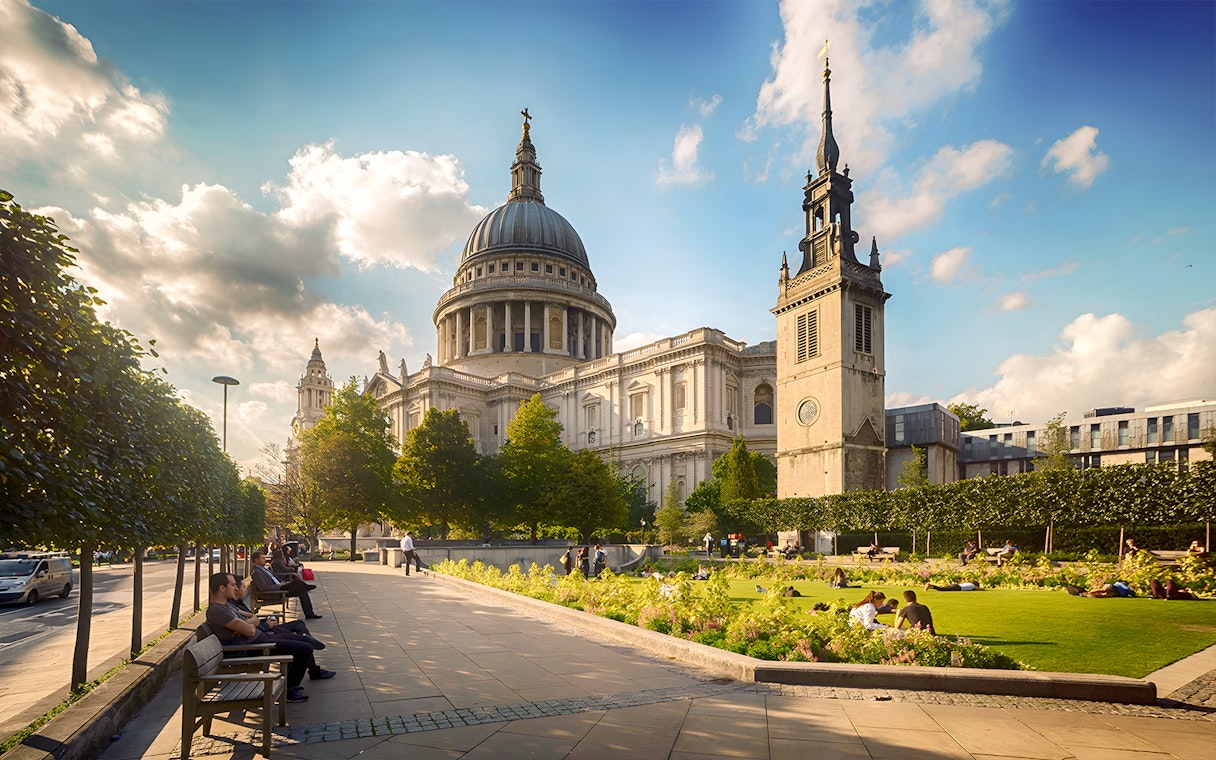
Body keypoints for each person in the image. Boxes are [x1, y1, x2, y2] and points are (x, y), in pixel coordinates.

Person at [206, 572, 334, 704]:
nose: (237, 588)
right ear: (222, 588)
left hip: (258, 639)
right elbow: (250, 630)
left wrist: (246, 624)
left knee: (301, 641)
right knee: (305, 648)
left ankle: (306, 646)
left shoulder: (226, 605)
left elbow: (251, 616)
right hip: (250, 647)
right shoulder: (217, 611)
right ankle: (290, 689)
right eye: (233, 585)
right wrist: (249, 624)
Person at [250, 550, 322, 619]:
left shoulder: (263, 569)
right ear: (256, 560)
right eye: (262, 558)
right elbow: (264, 588)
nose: (265, 560)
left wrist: (283, 583)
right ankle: (306, 587)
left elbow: (274, 578)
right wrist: (278, 586)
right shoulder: (257, 572)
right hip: (276, 592)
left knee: (302, 590)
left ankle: (309, 614)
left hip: (280, 587)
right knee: (298, 583)